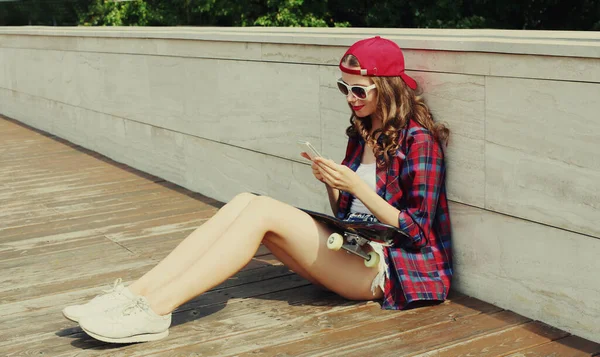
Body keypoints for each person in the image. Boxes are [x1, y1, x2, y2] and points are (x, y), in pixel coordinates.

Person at [62, 36, 453, 344]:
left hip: (392, 268)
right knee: (246, 201)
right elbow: (348, 214)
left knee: (263, 210)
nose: (350, 100)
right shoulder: (363, 132)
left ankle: (156, 311)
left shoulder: (419, 142)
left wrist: (355, 185)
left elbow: (417, 232)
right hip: (354, 246)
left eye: (359, 91)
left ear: (385, 89)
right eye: (343, 88)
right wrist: (334, 185)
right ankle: (134, 295)